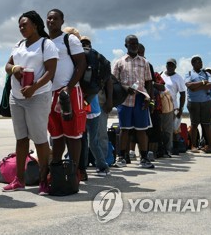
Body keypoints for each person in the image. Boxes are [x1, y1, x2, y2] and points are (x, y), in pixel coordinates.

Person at [0, 11, 58, 194]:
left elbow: (50, 72)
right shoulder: (18, 45)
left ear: (35, 25)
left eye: (25, 24)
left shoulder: (46, 44)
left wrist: (33, 88)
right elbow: (7, 65)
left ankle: (44, 181)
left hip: (38, 96)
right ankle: (19, 180)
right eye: (20, 25)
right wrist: (15, 69)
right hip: (16, 97)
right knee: (21, 138)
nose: (21, 28)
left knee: (40, 139)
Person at [46, 9, 87, 179]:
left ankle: (75, 170)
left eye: (55, 18)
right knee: (56, 134)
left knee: (73, 134)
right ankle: (56, 169)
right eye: (49, 18)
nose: (51, 21)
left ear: (62, 21)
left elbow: (81, 64)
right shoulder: (45, 42)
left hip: (68, 91)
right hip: (49, 92)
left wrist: (68, 88)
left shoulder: (68, 39)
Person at [112, 35, 155, 169]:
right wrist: (125, 88)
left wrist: (149, 99)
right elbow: (113, 82)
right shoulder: (120, 62)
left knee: (141, 130)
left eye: (136, 43)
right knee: (124, 129)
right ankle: (121, 157)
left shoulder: (144, 62)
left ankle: (144, 158)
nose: (134, 45)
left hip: (141, 99)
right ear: (126, 45)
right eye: (131, 43)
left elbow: (149, 82)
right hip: (124, 100)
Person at [79, 36, 110, 177]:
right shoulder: (91, 61)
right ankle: (83, 167)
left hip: (90, 109)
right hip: (86, 107)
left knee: (91, 141)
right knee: (84, 140)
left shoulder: (93, 62)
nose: (85, 46)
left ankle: (102, 166)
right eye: (83, 43)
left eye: (87, 44)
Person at [184, 56, 211, 153]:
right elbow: (189, 85)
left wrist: (196, 87)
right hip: (193, 102)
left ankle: (210, 146)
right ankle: (193, 146)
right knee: (194, 124)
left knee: (206, 124)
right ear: (193, 63)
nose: (201, 64)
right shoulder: (189, 73)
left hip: (206, 101)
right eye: (198, 62)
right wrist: (202, 83)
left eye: (201, 62)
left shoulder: (206, 73)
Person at [160, 58, 186, 156]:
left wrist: (181, 109)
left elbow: (183, 94)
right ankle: (161, 148)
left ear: (175, 66)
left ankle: (169, 148)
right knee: (161, 128)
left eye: (172, 65)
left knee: (170, 129)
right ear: (166, 65)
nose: (170, 67)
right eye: (168, 65)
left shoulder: (178, 78)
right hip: (160, 106)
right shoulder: (161, 74)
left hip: (172, 107)